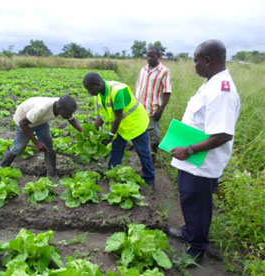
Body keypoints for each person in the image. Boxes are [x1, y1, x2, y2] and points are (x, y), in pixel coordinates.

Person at [169, 39, 241, 264]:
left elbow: (223, 134)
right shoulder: (212, 82)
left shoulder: (222, 90)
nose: (195, 65)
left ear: (208, 60)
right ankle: (190, 233)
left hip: (201, 161)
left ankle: (197, 249)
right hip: (192, 159)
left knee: (197, 204)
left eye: (196, 61)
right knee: (189, 200)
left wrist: (189, 149)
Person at [83, 72, 155, 186]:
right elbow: (101, 116)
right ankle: (111, 173)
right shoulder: (99, 95)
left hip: (136, 124)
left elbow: (118, 116)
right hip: (120, 127)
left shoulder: (117, 91)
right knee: (116, 150)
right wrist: (92, 132)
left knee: (143, 152)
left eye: (90, 89)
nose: (89, 92)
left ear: (98, 84)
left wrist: (111, 135)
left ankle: (150, 179)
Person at [0, 95, 83, 177]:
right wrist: (36, 142)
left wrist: (83, 132)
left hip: (40, 121)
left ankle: (52, 173)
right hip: (23, 120)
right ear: (59, 109)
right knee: (19, 147)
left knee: (48, 146)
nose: (70, 115)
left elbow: (72, 120)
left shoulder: (64, 106)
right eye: (68, 113)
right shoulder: (41, 109)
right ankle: (3, 168)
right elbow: (23, 123)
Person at [135, 46, 172, 158]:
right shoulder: (143, 70)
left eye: (152, 56)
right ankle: (142, 156)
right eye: (148, 56)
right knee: (140, 134)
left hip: (153, 109)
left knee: (154, 137)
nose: (149, 58)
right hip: (140, 108)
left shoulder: (164, 71)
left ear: (159, 56)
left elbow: (167, 92)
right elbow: (138, 87)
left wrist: (161, 110)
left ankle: (153, 158)